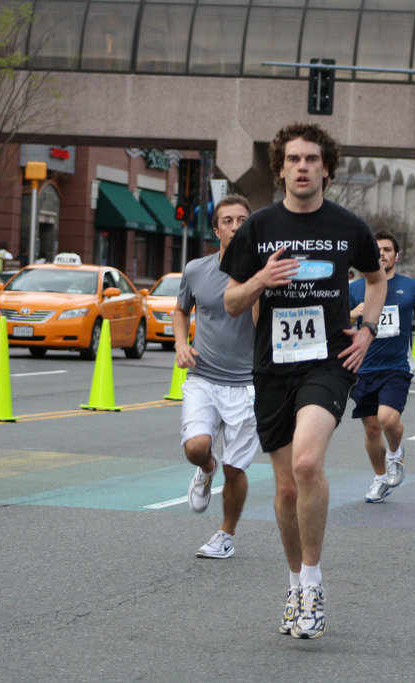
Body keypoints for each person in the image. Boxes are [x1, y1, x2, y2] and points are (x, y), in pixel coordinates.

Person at [221, 122, 386, 639]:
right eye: (293, 159)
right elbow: (229, 300)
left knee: (308, 461)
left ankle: (313, 582)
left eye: (311, 159)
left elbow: (376, 278)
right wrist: (260, 280)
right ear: (280, 168)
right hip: (272, 365)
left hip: (328, 361)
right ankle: (294, 582)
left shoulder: (348, 226)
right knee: (287, 487)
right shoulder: (260, 226)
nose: (302, 167)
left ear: (326, 169)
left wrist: (367, 330)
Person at [173, 194, 259, 560]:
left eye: (243, 220)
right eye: (228, 221)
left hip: (248, 384)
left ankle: (226, 534)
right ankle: (205, 468)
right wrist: (180, 344)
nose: (236, 227)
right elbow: (181, 311)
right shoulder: (196, 270)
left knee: (235, 467)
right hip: (203, 376)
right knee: (196, 447)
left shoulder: (264, 273)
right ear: (216, 229)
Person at [349, 230, 415, 503]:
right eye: (377, 250)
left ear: (395, 255)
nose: (382, 254)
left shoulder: (411, 287)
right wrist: (353, 313)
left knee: (387, 418)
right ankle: (379, 478)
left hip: (397, 365)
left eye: (387, 249)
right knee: (372, 429)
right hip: (362, 367)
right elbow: (336, 321)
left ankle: (395, 454)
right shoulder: (353, 289)